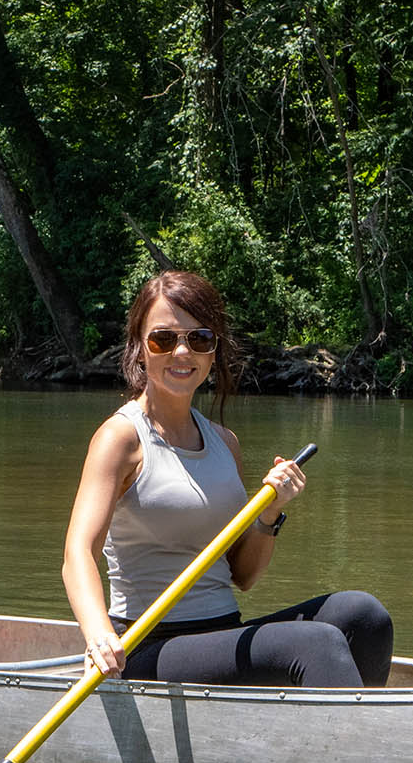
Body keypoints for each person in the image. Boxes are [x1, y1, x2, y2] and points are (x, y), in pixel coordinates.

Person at [62, 270, 392, 687]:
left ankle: (348, 734)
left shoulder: (224, 442)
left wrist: (269, 514)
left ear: (213, 351)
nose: (182, 352)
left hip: (220, 635)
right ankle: (354, 746)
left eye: (199, 339)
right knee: (315, 645)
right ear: (139, 349)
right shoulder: (121, 438)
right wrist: (98, 636)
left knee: (363, 615)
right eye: (164, 339)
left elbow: (243, 575)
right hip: (145, 646)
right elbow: (77, 554)